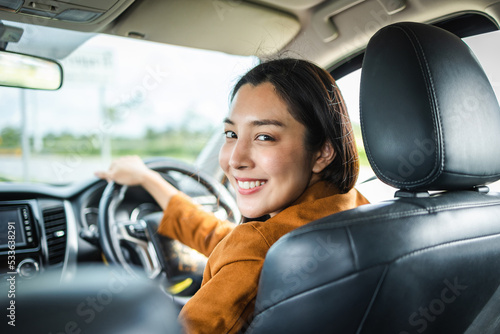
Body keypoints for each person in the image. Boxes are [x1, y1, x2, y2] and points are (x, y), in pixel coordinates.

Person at [96, 58, 369, 333]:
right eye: (231, 133)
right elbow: (226, 242)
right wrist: (148, 179)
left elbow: (245, 254)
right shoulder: (363, 210)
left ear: (322, 152)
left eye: (264, 137)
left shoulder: (259, 248)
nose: (234, 160)